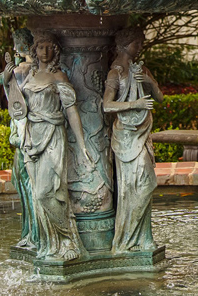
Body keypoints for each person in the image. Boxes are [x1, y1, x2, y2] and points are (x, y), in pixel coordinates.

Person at [21, 30, 94, 262]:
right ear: (35, 49)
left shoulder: (59, 77)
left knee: (47, 192)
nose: (44, 51)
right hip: (31, 139)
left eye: (49, 47)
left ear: (56, 51)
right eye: (41, 47)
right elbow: (20, 109)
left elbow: (71, 111)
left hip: (53, 135)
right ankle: (48, 242)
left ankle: (66, 238)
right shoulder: (29, 76)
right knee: (37, 194)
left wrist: (82, 145)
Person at [102, 28, 164, 253]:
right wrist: (134, 105)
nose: (140, 48)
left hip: (142, 134)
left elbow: (160, 97)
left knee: (146, 183)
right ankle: (127, 239)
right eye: (136, 43)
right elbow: (107, 105)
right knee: (133, 187)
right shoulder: (115, 73)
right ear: (124, 44)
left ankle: (144, 237)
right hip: (127, 137)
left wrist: (149, 82)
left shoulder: (141, 69)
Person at [0, 28, 37, 250]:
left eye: (17, 43)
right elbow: (0, 80)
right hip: (24, 133)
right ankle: (31, 232)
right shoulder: (21, 69)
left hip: (27, 135)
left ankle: (34, 234)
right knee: (26, 184)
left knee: (28, 185)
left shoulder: (25, 70)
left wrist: (10, 73)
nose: (14, 47)